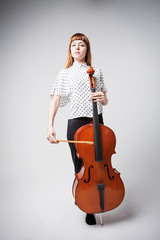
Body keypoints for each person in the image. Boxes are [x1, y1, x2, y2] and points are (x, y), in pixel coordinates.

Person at [47, 33, 108, 225]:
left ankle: (100, 198)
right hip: (76, 122)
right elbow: (56, 99)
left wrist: (103, 99)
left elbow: (105, 99)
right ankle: (87, 205)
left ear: (87, 49)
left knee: (100, 160)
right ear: (70, 50)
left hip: (96, 120)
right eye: (74, 45)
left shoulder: (96, 71)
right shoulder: (65, 73)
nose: (77, 48)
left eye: (81, 45)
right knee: (80, 165)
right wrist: (50, 125)